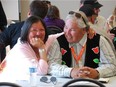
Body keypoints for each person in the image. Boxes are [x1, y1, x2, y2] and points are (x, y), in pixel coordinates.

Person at [47, 10, 116, 79]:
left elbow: (112, 65)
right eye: (66, 27)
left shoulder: (99, 40)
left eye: (72, 30)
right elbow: (51, 65)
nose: (67, 32)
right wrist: (70, 71)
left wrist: (97, 72)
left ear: (84, 30)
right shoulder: (58, 41)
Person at [0, 16, 48, 81]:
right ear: (26, 32)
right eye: (34, 30)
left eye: (41, 30)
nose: (38, 33)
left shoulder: (44, 42)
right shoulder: (21, 48)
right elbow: (41, 71)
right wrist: (42, 48)